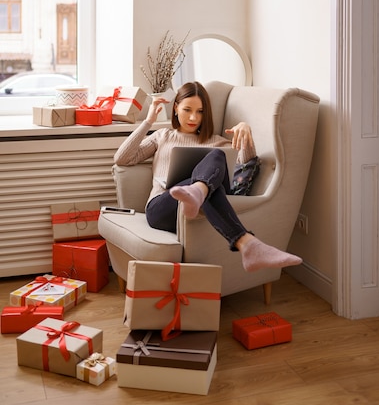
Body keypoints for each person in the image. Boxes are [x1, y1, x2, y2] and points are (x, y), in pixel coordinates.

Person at [114, 81, 302, 272]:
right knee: (210, 185)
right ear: (176, 107)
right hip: (163, 209)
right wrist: (148, 121)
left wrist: (246, 133)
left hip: (198, 214)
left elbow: (246, 166)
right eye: (187, 109)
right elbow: (122, 158)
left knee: (216, 161)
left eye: (200, 111)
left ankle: (204, 198)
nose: (194, 117)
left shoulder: (218, 142)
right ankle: (205, 198)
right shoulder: (163, 136)